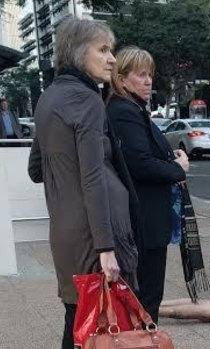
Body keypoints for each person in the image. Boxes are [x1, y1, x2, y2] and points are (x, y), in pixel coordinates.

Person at [26, 18, 139, 349]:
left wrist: (65, 169)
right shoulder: (87, 100)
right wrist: (106, 248)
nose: (112, 59)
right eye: (103, 50)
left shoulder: (48, 98)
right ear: (77, 54)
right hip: (97, 234)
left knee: (77, 320)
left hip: (66, 230)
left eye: (112, 50)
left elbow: (36, 168)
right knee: (105, 326)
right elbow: (92, 176)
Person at [106, 46, 190, 323]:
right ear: (121, 78)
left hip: (148, 216)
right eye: (141, 75)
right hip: (144, 218)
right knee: (145, 295)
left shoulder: (132, 109)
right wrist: (177, 168)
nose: (148, 80)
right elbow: (139, 163)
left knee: (145, 294)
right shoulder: (124, 111)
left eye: (150, 74)